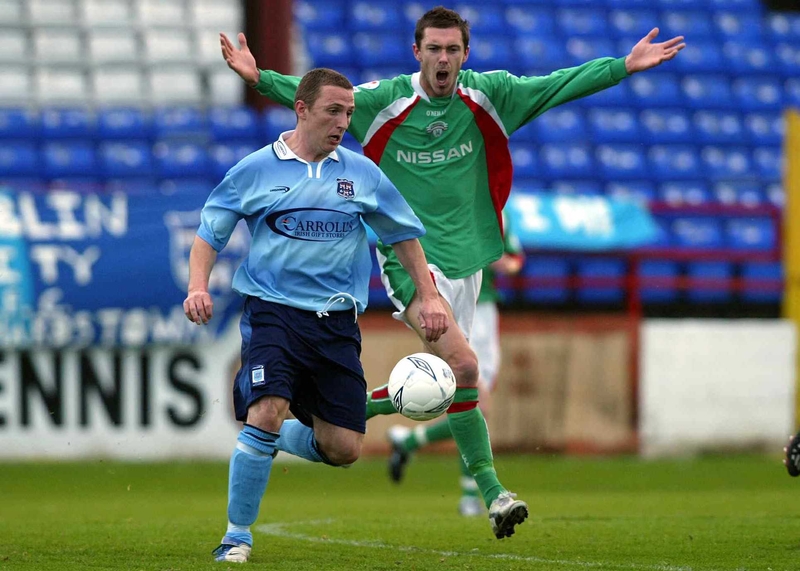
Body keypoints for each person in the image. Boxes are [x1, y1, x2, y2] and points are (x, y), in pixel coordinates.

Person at [220, 5, 684, 540]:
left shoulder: (492, 95)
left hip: (469, 262)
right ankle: (493, 493)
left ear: (466, 54)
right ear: (416, 53)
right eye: (434, 49)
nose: (444, 58)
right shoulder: (382, 101)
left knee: (442, 386)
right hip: (410, 262)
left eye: (453, 49)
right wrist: (261, 79)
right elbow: (318, 102)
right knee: (465, 367)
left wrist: (622, 66)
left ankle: (287, 431)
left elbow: (559, 84)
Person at [183, 67, 448, 564]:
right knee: (266, 407)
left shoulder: (361, 173)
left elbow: (403, 235)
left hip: (336, 324)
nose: (343, 122)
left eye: (348, 113)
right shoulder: (255, 169)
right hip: (273, 313)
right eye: (333, 111)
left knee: (344, 448)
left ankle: (272, 433)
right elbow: (208, 233)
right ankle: (236, 536)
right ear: (301, 109)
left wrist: (429, 296)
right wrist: (198, 286)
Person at [386, 211, 525, 517]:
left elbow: (515, 258)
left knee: (469, 399)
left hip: (484, 305)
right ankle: (471, 496)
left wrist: (504, 263)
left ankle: (408, 441)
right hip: (447, 296)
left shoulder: (498, 211)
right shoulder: (438, 203)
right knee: (473, 398)